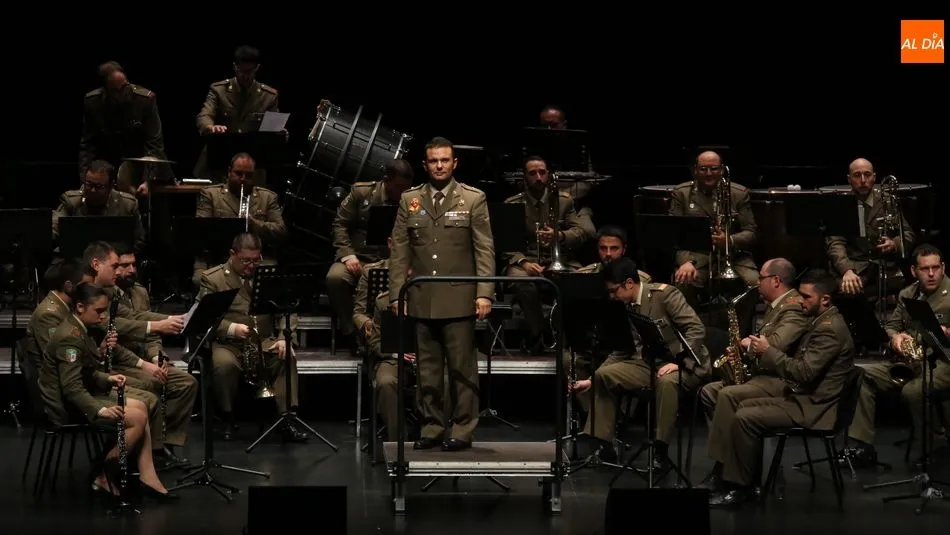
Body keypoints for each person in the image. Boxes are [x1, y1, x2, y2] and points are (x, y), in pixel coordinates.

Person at [708, 269, 855, 508]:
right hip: (803, 397)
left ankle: (740, 487)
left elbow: (804, 372)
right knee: (741, 406)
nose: (799, 301)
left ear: (825, 299)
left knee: (745, 416)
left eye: (806, 297)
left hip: (814, 407)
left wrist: (768, 351)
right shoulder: (820, 321)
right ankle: (741, 479)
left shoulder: (829, 329)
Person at [389, 136, 495, 451]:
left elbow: (484, 249)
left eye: (444, 160)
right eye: (434, 161)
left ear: (454, 163)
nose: (439, 166)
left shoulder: (472, 198)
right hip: (422, 297)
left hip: (460, 297)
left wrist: (485, 293)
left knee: (462, 370)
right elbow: (400, 252)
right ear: (425, 164)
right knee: (427, 370)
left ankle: (462, 429)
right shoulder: (410, 199)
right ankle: (432, 427)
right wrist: (396, 295)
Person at [38, 282, 176, 504]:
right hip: (67, 406)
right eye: (99, 311)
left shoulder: (78, 329)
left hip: (80, 395)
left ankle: (146, 475)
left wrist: (107, 378)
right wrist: (101, 410)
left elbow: (86, 371)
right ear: (80, 307)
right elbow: (71, 387)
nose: (103, 316)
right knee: (136, 417)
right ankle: (104, 472)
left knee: (141, 406)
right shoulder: (70, 337)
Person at [570, 257, 708, 464]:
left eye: (614, 291)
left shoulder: (665, 295)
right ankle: (604, 445)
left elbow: (696, 329)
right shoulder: (626, 305)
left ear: (629, 283)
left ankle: (660, 450)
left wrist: (679, 362)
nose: (612, 296)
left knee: (667, 382)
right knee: (603, 375)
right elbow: (624, 349)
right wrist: (591, 379)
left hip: (687, 363)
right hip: (650, 362)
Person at [698, 258, 810, 490]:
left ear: (776, 280)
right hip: (764, 375)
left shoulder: (793, 307)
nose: (757, 283)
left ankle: (725, 469)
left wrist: (746, 346)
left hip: (781, 380)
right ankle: (738, 457)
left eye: (761, 278)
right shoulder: (776, 306)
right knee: (709, 392)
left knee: (728, 394)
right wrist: (740, 354)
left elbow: (776, 344)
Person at [843, 244, 950, 467]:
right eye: (925, 269)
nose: (931, 274)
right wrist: (895, 338)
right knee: (863, 376)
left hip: (942, 363)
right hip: (910, 360)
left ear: (943, 268)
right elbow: (892, 325)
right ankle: (863, 446)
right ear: (914, 271)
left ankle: (937, 446)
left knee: (913, 391)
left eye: (936, 268)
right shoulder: (907, 294)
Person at [197, 233, 306, 442]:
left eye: (256, 260)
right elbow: (204, 317)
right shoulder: (213, 279)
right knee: (223, 365)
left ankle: (286, 419)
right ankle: (227, 417)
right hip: (228, 343)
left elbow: (288, 309)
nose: (251, 266)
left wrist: (284, 338)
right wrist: (231, 328)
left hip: (262, 340)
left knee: (286, 358)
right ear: (232, 254)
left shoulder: (268, 276)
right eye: (246, 261)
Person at [113, 246, 198, 467]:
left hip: (144, 358)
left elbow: (152, 336)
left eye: (133, 264)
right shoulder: (105, 294)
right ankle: (152, 449)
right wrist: (165, 321)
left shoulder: (139, 292)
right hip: (122, 361)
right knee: (153, 383)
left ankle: (166, 443)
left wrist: (156, 356)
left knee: (186, 383)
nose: (132, 270)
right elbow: (133, 321)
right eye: (124, 265)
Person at [504, 155, 588, 352]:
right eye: (533, 173)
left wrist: (559, 235)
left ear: (548, 174)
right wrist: (523, 262)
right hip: (527, 259)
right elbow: (505, 242)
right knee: (520, 279)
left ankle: (570, 336)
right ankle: (539, 334)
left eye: (542, 172)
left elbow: (581, 232)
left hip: (560, 258)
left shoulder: (564, 201)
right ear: (525, 176)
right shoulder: (513, 203)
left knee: (581, 279)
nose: (538, 177)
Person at [669, 150, 758, 333]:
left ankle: (741, 335)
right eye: (703, 169)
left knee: (755, 284)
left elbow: (751, 232)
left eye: (714, 169)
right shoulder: (682, 194)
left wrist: (729, 240)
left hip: (734, 256)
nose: (709, 174)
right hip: (698, 255)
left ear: (722, 170)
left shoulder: (739, 193)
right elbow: (674, 236)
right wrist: (685, 262)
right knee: (683, 281)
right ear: (695, 170)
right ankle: (693, 332)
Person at [327, 159, 413, 347]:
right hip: (361, 258)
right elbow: (340, 224)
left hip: (395, 260)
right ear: (386, 180)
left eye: (406, 188)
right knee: (335, 278)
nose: (403, 192)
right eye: (398, 187)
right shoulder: (362, 193)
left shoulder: (413, 198)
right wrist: (347, 255)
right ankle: (352, 331)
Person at [352, 236, 418, 440]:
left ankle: (432, 436)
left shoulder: (429, 284)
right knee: (386, 381)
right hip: (388, 348)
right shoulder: (381, 294)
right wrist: (370, 325)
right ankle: (397, 442)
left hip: (424, 352)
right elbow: (359, 312)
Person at [193, 152, 287, 287]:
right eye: (238, 173)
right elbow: (199, 230)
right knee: (200, 280)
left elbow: (281, 232)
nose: (243, 179)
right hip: (219, 257)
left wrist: (253, 223)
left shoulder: (267, 197)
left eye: (248, 176)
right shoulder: (211, 194)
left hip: (256, 259)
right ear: (229, 172)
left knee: (272, 280)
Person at [826, 158, 915, 298]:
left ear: (874, 177)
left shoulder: (888, 200)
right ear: (849, 179)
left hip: (884, 264)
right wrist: (846, 270)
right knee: (848, 290)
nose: (863, 180)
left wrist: (894, 244)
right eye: (857, 175)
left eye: (867, 175)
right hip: (854, 265)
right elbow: (835, 242)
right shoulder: (839, 204)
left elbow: (908, 234)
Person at [78, 61, 170, 197]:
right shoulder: (93, 102)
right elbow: (87, 145)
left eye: (125, 86)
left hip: (141, 167)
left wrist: (148, 180)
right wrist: (84, 180)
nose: (124, 92)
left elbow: (154, 143)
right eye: (116, 91)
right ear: (105, 90)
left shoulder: (144, 100)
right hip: (108, 166)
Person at [194, 45, 281, 182]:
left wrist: (279, 132)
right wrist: (211, 127)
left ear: (257, 68)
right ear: (235, 67)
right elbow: (204, 115)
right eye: (242, 71)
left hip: (250, 168)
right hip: (218, 162)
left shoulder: (268, 96)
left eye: (249, 71)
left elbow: (273, 130)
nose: (245, 75)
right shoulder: (219, 90)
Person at [52, 160, 147, 254]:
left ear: (111, 186)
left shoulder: (127, 205)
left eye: (99, 186)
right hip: (77, 258)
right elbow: (53, 228)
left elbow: (139, 241)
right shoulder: (72, 202)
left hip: (116, 259)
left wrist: (128, 256)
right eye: (89, 184)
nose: (92, 190)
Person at [25, 261, 84, 370]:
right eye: (83, 285)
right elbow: (57, 355)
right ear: (68, 286)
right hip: (53, 377)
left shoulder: (67, 306)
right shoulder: (49, 314)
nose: (87, 289)